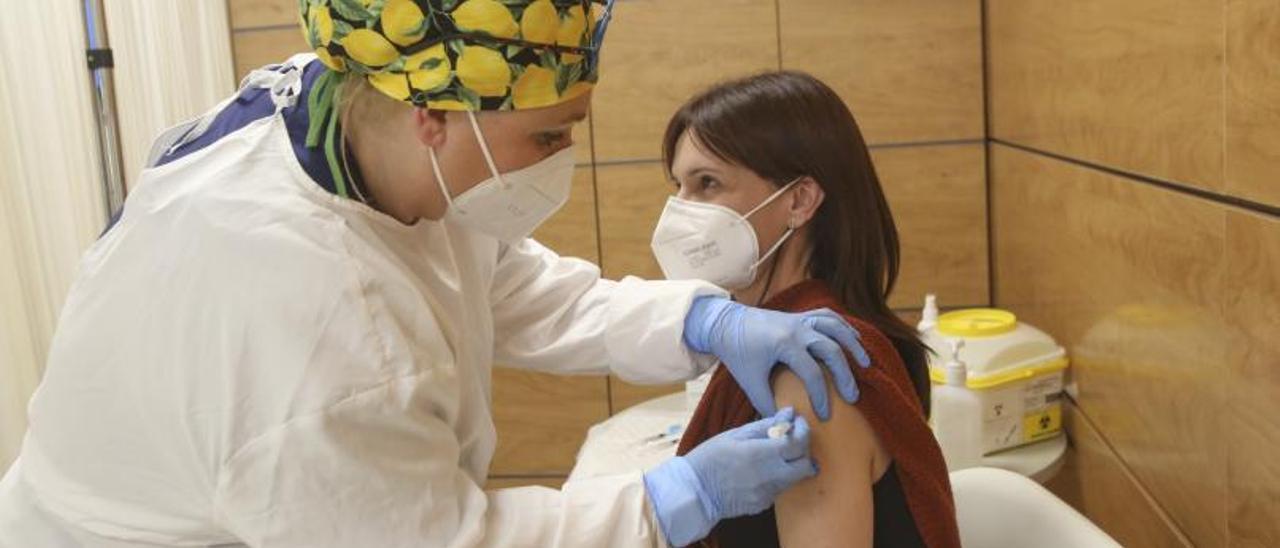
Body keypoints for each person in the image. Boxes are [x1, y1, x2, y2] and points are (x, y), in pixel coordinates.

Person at [0, 2, 873, 547]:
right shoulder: (307, 324)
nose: (566, 157)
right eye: (547, 135)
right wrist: (677, 498)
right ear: (432, 118)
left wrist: (699, 322)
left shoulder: (346, 106)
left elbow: (500, 281)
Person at [650, 71, 962, 547]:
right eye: (678, 186)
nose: (680, 212)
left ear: (799, 200)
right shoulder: (784, 337)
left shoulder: (812, 369)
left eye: (707, 183)